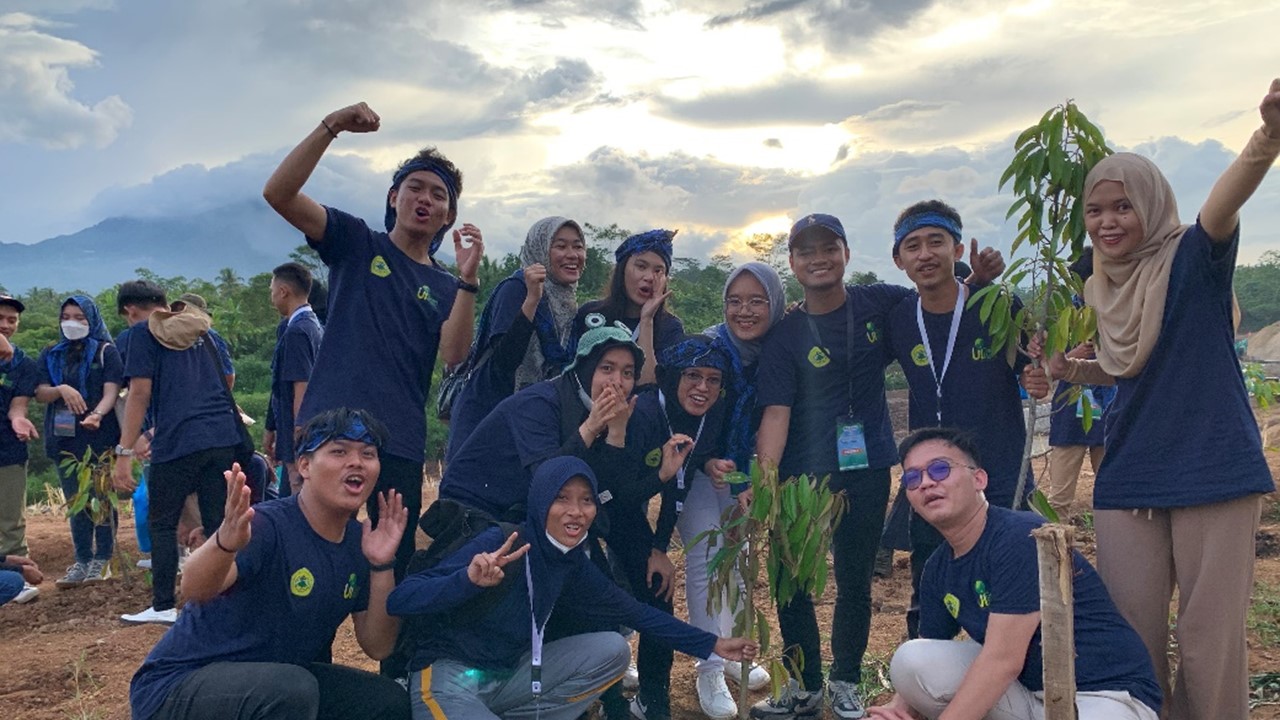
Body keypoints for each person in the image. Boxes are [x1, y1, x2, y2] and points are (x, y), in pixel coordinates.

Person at [1036, 79, 1280, 720]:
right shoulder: (1100, 286)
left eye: (1123, 207)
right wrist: (1072, 371)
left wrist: (1267, 138)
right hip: (1131, 470)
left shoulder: (1192, 258)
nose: (1108, 222)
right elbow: (1130, 369)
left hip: (1212, 467)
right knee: (1131, 635)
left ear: (1152, 204)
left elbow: (1221, 206)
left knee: (1207, 640)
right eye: (1096, 210)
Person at [751, 213, 1002, 719]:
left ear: (847, 254)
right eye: (806, 252)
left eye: (829, 248)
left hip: (864, 472)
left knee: (855, 579)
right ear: (793, 263)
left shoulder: (881, 303)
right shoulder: (786, 334)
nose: (819, 259)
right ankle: (803, 686)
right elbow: (776, 413)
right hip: (801, 477)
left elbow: (936, 305)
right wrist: (766, 486)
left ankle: (845, 680)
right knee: (792, 584)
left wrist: (976, 281)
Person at [263, 101, 483, 579]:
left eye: (439, 195)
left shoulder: (446, 285)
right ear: (393, 197)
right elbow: (279, 193)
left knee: (392, 567)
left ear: (448, 215)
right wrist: (331, 126)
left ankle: (387, 634)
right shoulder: (356, 243)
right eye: (415, 187)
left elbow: (455, 355)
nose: (425, 199)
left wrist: (468, 280)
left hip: (399, 440)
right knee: (311, 553)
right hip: (331, 429)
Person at [387, 455, 758, 720]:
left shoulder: (572, 564)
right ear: (540, 501)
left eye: (586, 500)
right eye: (561, 498)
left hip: (510, 676)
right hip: (449, 678)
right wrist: (466, 580)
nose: (576, 511)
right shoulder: (501, 542)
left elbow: (635, 613)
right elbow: (400, 599)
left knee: (612, 649)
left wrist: (712, 644)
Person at [129, 408, 410, 720]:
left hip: (272, 686)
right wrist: (224, 542)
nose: (356, 462)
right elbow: (194, 589)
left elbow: (378, 646)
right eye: (339, 451)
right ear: (304, 466)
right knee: (293, 688)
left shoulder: (359, 543)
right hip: (177, 688)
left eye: (368, 454)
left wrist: (382, 565)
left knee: (386, 700)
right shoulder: (266, 525)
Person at [867, 427, 1161, 720]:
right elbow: (930, 647)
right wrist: (897, 709)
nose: (926, 483)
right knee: (912, 660)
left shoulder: (1019, 537)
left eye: (940, 469)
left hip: (1104, 697)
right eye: (912, 478)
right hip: (1025, 696)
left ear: (979, 479)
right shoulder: (938, 568)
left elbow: (1003, 661)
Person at [883, 200, 1046, 638]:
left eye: (936, 242)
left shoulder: (998, 304)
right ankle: (926, 661)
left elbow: (1034, 367)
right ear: (899, 261)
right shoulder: (900, 318)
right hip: (931, 478)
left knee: (1010, 581)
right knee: (930, 582)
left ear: (957, 249)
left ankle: (1011, 668)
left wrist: (1038, 377)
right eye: (912, 246)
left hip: (999, 471)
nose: (925, 254)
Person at [677, 263, 786, 718]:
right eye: (735, 301)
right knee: (705, 561)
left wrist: (752, 477)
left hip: (744, 474)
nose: (745, 311)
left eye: (757, 301)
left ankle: (734, 653)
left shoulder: (779, 348)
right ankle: (708, 664)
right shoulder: (710, 347)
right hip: (697, 469)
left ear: (776, 304)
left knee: (739, 563)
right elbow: (682, 412)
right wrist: (706, 460)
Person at [613, 335, 731, 720]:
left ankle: (652, 700)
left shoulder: (708, 416)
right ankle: (605, 686)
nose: (703, 387)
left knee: (658, 590)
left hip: (636, 507)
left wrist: (659, 549)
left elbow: (679, 483)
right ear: (671, 376)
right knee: (606, 589)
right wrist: (661, 477)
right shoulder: (644, 414)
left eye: (713, 379)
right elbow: (619, 494)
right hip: (600, 508)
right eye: (693, 375)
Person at [435, 324, 644, 529]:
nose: (617, 381)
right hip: (474, 509)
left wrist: (617, 434)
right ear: (585, 368)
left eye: (627, 373)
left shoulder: (605, 411)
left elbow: (608, 493)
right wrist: (590, 428)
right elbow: (548, 482)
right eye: (607, 368)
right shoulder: (539, 403)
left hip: (525, 513)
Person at [113, 301, 240, 625]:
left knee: (163, 523)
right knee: (217, 522)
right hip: (221, 436)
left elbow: (139, 393)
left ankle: (163, 605)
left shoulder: (142, 334)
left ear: (131, 311)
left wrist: (124, 452)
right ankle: (223, 600)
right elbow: (228, 376)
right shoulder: (203, 329)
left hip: (178, 441)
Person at [445, 216, 585, 459]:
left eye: (578, 246)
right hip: (487, 420)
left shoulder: (566, 302)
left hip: (528, 423)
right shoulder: (517, 288)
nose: (572, 255)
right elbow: (504, 362)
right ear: (540, 249)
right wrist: (531, 300)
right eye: (560, 246)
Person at [34, 296, 123, 587]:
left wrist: (97, 414)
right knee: (76, 500)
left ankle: (104, 557)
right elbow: (40, 392)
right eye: (66, 317)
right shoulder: (52, 353)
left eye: (79, 317)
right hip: (64, 440)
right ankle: (83, 559)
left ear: (92, 320)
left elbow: (112, 391)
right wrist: (62, 389)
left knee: (101, 497)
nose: (71, 323)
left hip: (99, 436)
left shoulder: (106, 352)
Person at [572, 229, 684, 385]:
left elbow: (648, 386)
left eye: (658, 271)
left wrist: (647, 321)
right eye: (641, 266)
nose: (649, 277)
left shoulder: (670, 328)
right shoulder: (590, 314)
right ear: (622, 269)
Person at [264, 262, 324, 495]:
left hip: (298, 444)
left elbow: (301, 388)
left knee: (296, 503)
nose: (272, 298)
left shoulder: (297, 332)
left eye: (272, 291)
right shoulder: (313, 326)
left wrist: (297, 443)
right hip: (307, 437)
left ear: (283, 291)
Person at [0, 293, 40, 603]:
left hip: (8, 449)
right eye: (0, 319)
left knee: (11, 516)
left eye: (12, 320)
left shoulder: (24, 364)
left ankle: (17, 575)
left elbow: (18, 405)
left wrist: (19, 420)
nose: (6, 325)